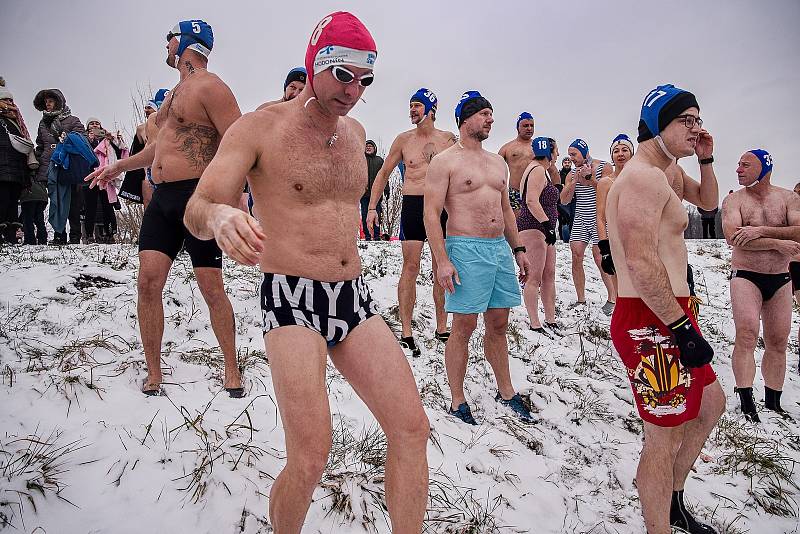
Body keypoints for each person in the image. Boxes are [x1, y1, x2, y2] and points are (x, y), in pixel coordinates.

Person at [182, 12, 430, 533]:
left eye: (365, 80)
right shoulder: (260, 128)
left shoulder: (355, 131)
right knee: (311, 456)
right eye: (343, 75)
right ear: (316, 62)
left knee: (411, 429)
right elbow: (197, 206)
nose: (353, 91)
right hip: (290, 295)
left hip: (353, 297)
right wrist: (221, 214)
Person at [86, 19, 243, 397]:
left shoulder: (212, 87)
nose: (166, 45)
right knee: (147, 281)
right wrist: (118, 166)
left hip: (198, 197)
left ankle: (232, 367)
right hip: (163, 199)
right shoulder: (174, 94)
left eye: (169, 39)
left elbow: (240, 141)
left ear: (185, 41)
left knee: (210, 287)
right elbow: (162, 147)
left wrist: (239, 199)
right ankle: (154, 372)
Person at [607, 84, 725, 534]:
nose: (696, 128)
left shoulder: (667, 173)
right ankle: (659, 522)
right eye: (686, 120)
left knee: (710, 404)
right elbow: (638, 260)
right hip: (650, 317)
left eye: (698, 118)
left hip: (672, 309)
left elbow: (709, 203)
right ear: (658, 124)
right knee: (662, 435)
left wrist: (706, 158)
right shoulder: (640, 177)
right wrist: (682, 328)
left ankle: (672, 497)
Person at [424, 90, 534, 425]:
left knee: (499, 321)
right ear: (466, 118)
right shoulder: (446, 161)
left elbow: (506, 211)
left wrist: (518, 250)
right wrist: (442, 260)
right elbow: (431, 214)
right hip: (465, 248)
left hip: (498, 249)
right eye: (484, 113)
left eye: (491, 114)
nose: (490, 120)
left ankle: (507, 390)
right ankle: (457, 399)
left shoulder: (497, 162)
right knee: (465, 324)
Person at [365, 87, 456, 355]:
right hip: (413, 206)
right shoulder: (403, 140)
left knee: (442, 265)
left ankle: (442, 327)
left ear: (431, 110)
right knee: (410, 267)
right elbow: (382, 174)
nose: (412, 110)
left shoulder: (448, 140)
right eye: (411, 105)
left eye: (417, 105)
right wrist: (372, 207)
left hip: (442, 207)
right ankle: (406, 331)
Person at [722, 150, 800, 422]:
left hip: (779, 277)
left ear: (765, 168)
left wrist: (760, 231)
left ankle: (773, 401)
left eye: (745, 165)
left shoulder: (788, 198)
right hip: (746, 275)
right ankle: (746, 402)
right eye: (738, 164)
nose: (738, 169)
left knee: (778, 341)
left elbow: (799, 231)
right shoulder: (733, 200)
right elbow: (733, 237)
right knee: (747, 333)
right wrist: (778, 243)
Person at [559, 138, 615, 314]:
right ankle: (581, 299)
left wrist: (590, 179)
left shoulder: (604, 166)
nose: (572, 158)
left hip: (599, 216)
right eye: (569, 155)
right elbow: (564, 200)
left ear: (585, 152)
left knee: (600, 258)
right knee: (576, 254)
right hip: (581, 217)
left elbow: (610, 191)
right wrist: (574, 181)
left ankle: (613, 298)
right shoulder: (571, 173)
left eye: (574, 154)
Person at [517, 136, 560, 334]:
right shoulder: (536, 170)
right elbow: (532, 201)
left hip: (545, 229)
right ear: (547, 151)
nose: (558, 154)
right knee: (534, 277)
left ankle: (551, 320)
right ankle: (535, 323)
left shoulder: (544, 171)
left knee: (549, 275)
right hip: (533, 226)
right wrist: (547, 225)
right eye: (556, 150)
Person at [33, 88, 86, 245]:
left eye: (51, 101)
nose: (48, 104)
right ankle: (59, 234)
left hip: (68, 166)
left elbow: (81, 140)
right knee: (55, 200)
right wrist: (37, 163)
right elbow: (40, 145)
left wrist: (64, 137)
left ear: (59, 101)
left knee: (73, 202)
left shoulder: (73, 120)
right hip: (50, 167)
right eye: (45, 102)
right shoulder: (43, 123)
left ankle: (75, 235)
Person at [596, 134, 634, 294]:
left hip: (638, 239)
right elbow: (600, 217)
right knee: (621, 293)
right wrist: (604, 248)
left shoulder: (639, 179)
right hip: (615, 241)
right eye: (616, 151)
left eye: (625, 150)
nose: (620, 154)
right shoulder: (605, 183)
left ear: (632, 154)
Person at [120, 89, 169, 207]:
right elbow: (139, 151)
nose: (146, 110)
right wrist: (122, 167)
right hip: (149, 172)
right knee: (150, 206)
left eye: (149, 107)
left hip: (169, 171)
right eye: (145, 107)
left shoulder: (176, 124)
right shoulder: (141, 128)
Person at [0, 83, 34, 245]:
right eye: (5, 100)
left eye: (11, 100)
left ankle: (11, 235)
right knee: (3, 198)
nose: (10, 104)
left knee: (13, 200)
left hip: (17, 167)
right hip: (2, 165)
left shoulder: (18, 122)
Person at [85, 117, 127, 243]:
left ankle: (110, 234)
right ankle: (89, 235)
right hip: (90, 175)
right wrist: (90, 140)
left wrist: (113, 139)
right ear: (87, 127)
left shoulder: (107, 138)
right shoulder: (84, 139)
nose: (94, 125)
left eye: (97, 123)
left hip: (105, 175)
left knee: (108, 205)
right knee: (90, 206)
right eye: (91, 123)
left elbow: (119, 151)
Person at [498, 112, 535, 217]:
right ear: (518, 128)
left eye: (531, 125)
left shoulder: (538, 147)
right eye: (525, 125)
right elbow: (495, 170)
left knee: (537, 227)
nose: (529, 128)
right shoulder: (507, 148)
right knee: (516, 226)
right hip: (515, 192)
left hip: (536, 191)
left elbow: (551, 169)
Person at [361, 139, 386, 239]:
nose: (368, 147)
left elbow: (384, 175)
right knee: (364, 215)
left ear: (374, 148)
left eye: (370, 146)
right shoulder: (361, 160)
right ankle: (367, 236)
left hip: (377, 194)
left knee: (377, 215)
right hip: (364, 193)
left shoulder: (379, 160)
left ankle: (376, 235)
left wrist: (386, 189)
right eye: (366, 146)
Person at [557, 156, 575, 242]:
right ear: (562, 164)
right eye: (565, 163)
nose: (567, 164)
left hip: (573, 200)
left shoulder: (574, 174)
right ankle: (562, 239)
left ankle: (572, 238)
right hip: (561, 201)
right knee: (562, 220)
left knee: (573, 219)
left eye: (568, 163)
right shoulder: (558, 174)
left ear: (571, 164)